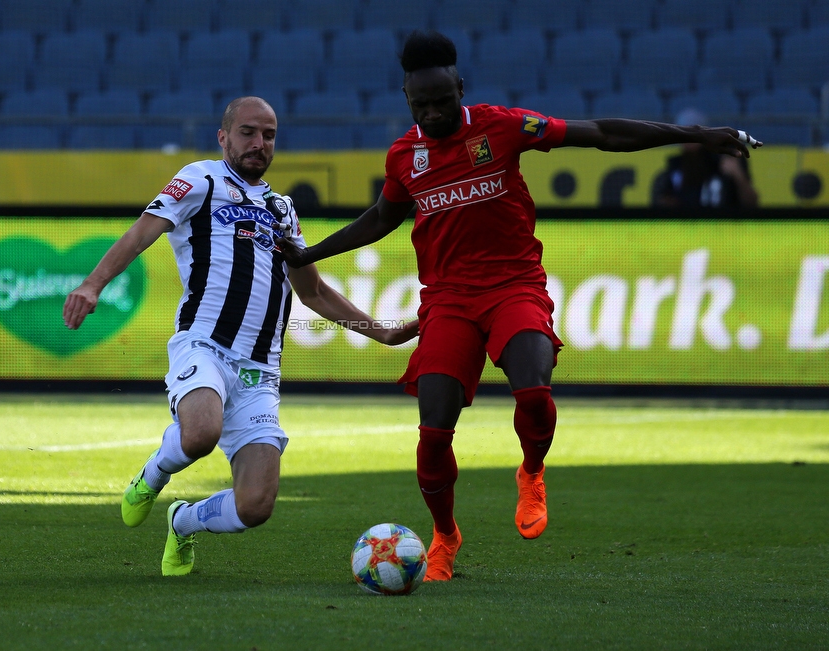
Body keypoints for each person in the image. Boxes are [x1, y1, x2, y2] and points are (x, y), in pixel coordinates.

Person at [276, 31, 762, 582]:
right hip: (449, 300)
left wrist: (697, 135)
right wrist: (312, 251)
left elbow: (601, 134)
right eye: (421, 104)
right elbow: (382, 219)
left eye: (443, 100)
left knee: (534, 388)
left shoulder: (502, 127)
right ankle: (444, 536)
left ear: (460, 88)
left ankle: (532, 471)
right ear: (408, 99)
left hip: (514, 286)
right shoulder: (403, 157)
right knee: (433, 431)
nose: (434, 112)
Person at [63, 96, 418, 577]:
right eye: (248, 132)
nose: (259, 144)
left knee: (256, 506)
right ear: (223, 136)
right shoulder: (201, 179)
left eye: (268, 135)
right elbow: (142, 233)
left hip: (259, 370)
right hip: (203, 343)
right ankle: (153, 475)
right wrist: (93, 283)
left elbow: (312, 292)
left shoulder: (282, 209)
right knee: (202, 432)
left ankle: (183, 521)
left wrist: (386, 334)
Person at [652, 108, 760, 208]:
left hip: (724, 227)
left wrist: (738, 175)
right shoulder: (672, 174)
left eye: (694, 134)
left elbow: (751, 203)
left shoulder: (724, 164)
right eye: (684, 135)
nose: (689, 140)